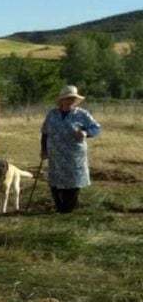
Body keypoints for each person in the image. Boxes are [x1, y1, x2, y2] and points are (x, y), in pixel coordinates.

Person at [40, 85, 102, 214]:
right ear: (61, 100)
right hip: (55, 155)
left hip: (74, 155)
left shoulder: (82, 114)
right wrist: (43, 150)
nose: (70, 101)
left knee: (73, 181)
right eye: (67, 98)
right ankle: (59, 207)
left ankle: (68, 209)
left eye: (72, 98)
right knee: (55, 180)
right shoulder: (52, 114)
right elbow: (45, 133)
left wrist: (86, 132)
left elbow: (96, 128)